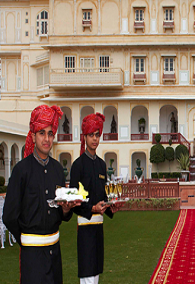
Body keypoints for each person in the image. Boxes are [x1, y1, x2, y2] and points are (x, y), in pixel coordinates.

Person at [3, 105, 79, 284]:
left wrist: (66, 210)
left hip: (55, 252)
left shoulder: (57, 170)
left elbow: (61, 214)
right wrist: (27, 240)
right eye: (42, 133)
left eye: (50, 134)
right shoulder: (21, 170)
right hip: (32, 256)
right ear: (33, 135)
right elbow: (9, 216)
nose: (47, 139)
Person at [70, 113, 119, 284]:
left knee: (96, 272)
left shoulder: (101, 165)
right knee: (87, 274)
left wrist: (112, 206)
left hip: (99, 228)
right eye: (91, 135)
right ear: (84, 137)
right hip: (85, 228)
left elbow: (103, 195)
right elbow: (73, 202)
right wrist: (92, 209)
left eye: (97, 135)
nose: (95, 139)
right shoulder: (77, 165)